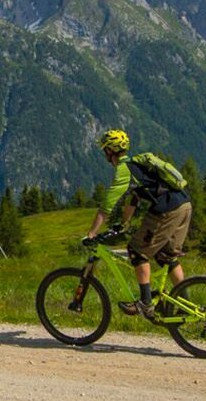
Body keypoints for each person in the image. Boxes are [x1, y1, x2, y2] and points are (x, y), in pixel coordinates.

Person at [82, 129, 193, 319]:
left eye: (105, 150)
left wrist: (92, 233)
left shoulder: (124, 171)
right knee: (166, 255)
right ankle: (185, 303)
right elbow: (133, 200)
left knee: (137, 250)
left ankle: (146, 304)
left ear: (110, 151)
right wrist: (123, 224)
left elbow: (107, 205)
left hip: (167, 210)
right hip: (185, 205)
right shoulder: (137, 167)